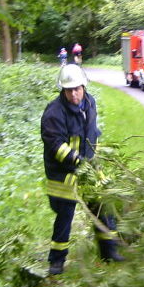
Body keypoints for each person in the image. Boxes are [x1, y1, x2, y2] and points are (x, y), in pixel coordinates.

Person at [41, 64, 123, 275]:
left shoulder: (90, 103)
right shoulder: (53, 113)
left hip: (88, 168)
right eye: (69, 90)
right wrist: (78, 162)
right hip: (63, 174)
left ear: (84, 87)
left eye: (77, 88)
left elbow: (91, 133)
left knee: (102, 208)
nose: (74, 93)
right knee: (64, 217)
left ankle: (109, 251)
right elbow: (56, 147)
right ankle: (56, 262)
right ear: (63, 90)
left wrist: (95, 160)